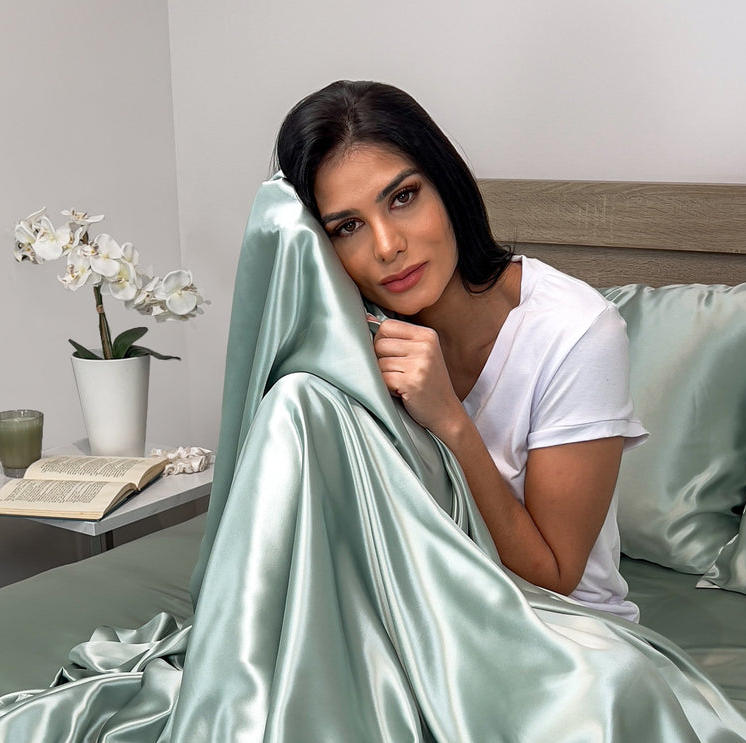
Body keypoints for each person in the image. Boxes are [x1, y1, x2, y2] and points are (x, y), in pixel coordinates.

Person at [276, 80, 648, 621]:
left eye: (403, 197)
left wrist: (450, 419)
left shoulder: (577, 331)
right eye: (348, 226)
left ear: (447, 187)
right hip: (416, 622)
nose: (387, 246)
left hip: (560, 632)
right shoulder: (349, 340)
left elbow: (555, 577)